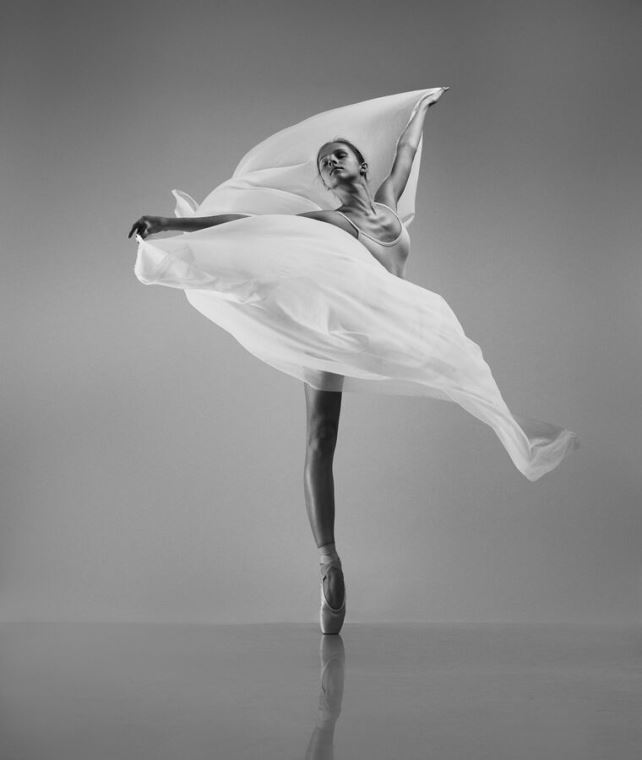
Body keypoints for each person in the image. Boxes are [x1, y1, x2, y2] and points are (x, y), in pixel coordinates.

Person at [128, 88, 577, 635]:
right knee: (321, 438)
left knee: (463, 359)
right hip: (337, 328)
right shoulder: (330, 219)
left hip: (395, 321)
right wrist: (170, 225)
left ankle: (516, 428)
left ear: (362, 165)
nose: (331, 165)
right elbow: (243, 222)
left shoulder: (388, 204)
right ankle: (329, 564)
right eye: (324, 164)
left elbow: (406, 152)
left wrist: (419, 107)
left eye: (338, 156)